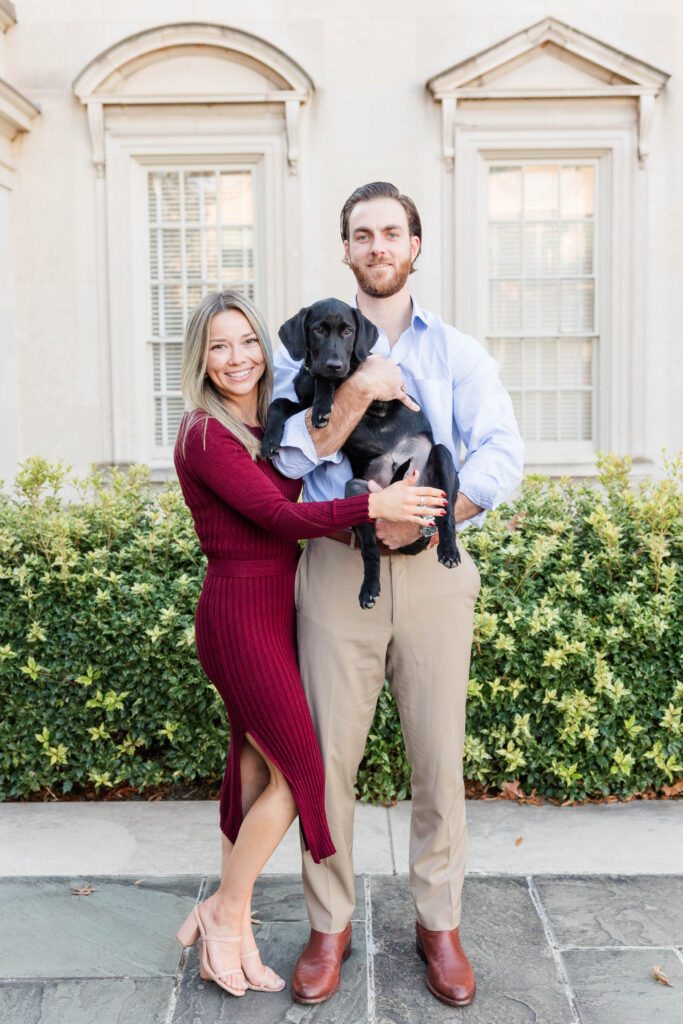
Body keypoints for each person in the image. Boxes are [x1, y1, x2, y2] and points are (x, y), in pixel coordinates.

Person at [272, 182, 524, 1007]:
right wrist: (351, 392)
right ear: (344, 250)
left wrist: (424, 519)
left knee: (436, 760)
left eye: (391, 233)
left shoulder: (457, 352)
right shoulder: (303, 349)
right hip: (337, 569)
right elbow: (286, 463)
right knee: (326, 763)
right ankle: (329, 924)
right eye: (361, 234)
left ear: (414, 246)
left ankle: (437, 922)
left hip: (435, 575)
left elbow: (498, 457)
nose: (377, 246)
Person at [172, 289, 447, 998]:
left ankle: (233, 921)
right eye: (219, 346)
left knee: (257, 773)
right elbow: (272, 513)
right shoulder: (204, 433)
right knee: (301, 774)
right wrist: (372, 506)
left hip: (277, 606)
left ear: (268, 346)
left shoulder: (265, 419)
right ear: (200, 360)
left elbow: (303, 491)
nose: (237, 358)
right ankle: (225, 916)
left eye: (247, 342)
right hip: (239, 613)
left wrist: (387, 524)